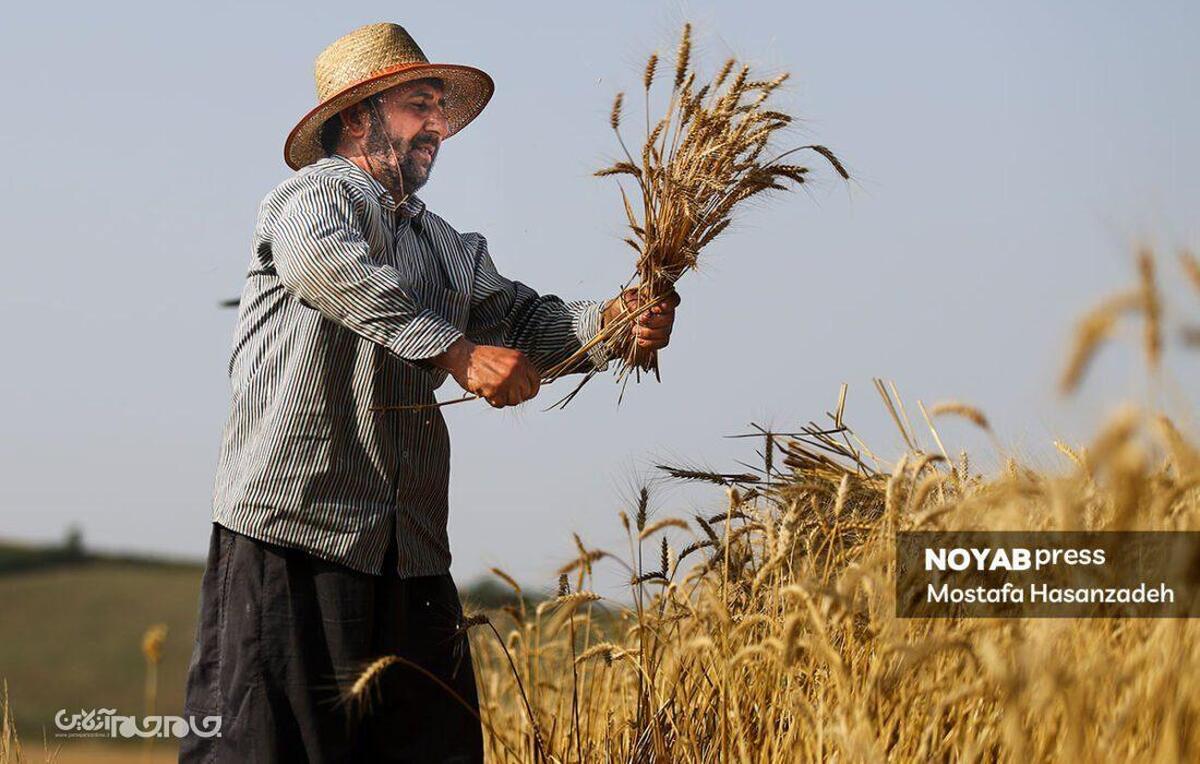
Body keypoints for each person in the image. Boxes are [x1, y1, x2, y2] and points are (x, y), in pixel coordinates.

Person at [179, 21, 678, 763]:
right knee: (266, 751)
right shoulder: (312, 198)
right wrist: (457, 351)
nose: (438, 123)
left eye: (441, 108)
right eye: (420, 103)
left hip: (410, 552)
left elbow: (525, 321)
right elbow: (325, 267)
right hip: (294, 537)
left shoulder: (448, 245)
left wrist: (614, 323)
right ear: (357, 116)